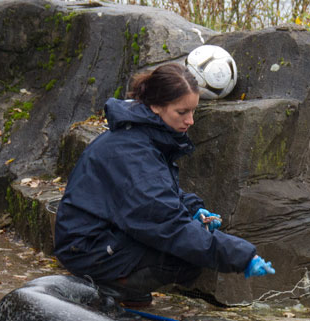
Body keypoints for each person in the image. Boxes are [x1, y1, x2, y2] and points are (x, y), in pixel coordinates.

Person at [54, 62, 274, 307]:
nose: (190, 121)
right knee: (184, 257)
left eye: (193, 112)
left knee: (190, 242)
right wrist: (241, 256)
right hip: (87, 249)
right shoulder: (132, 150)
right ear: (156, 106)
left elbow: (160, 192)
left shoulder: (143, 135)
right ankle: (112, 290)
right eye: (182, 112)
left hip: (99, 236)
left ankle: (121, 285)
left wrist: (193, 210)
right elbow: (167, 224)